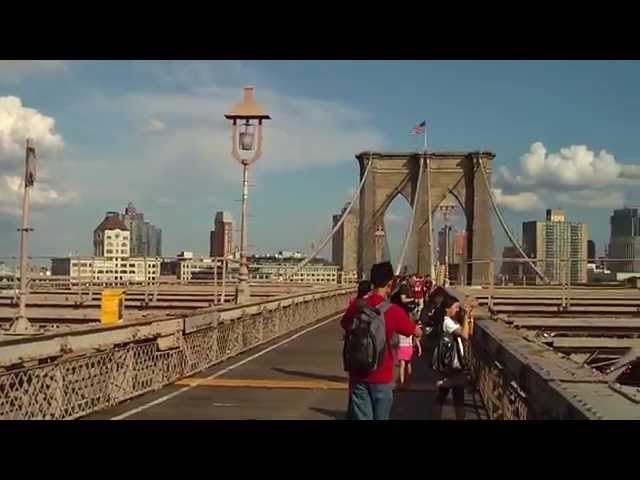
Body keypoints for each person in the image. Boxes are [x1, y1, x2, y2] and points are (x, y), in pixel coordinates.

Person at [341, 261, 423, 420]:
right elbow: (414, 331)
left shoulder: (357, 306)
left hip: (357, 373)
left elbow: (344, 324)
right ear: (390, 283)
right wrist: (420, 331)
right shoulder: (393, 311)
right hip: (382, 375)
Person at [431, 295, 475, 420]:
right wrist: (465, 316)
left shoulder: (453, 321)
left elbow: (470, 332)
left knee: (454, 396)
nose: (457, 310)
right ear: (447, 309)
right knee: (445, 395)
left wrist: (470, 318)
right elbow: (465, 335)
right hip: (450, 364)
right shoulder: (447, 322)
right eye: (456, 307)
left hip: (454, 364)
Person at [344, 279, 374, 420]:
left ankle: (353, 413)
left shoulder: (354, 303)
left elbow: (344, 323)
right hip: (371, 348)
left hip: (353, 347)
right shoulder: (375, 304)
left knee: (354, 382)